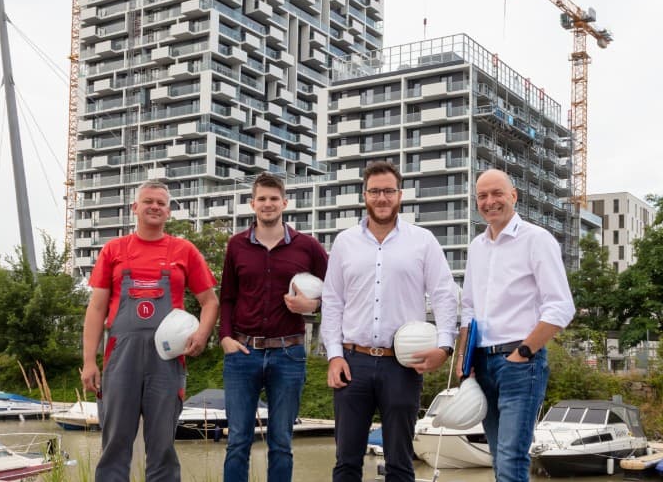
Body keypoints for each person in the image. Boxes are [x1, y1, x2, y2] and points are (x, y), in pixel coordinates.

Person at [321, 161, 458, 482]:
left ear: (400, 194)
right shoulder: (344, 242)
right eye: (375, 191)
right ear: (364, 195)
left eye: (388, 191)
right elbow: (332, 301)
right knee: (346, 462)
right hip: (352, 362)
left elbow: (444, 294)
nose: (382, 198)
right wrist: (334, 355)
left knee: (399, 463)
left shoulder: (423, 241)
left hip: (404, 365)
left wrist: (445, 346)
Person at [81, 181, 219, 482]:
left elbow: (210, 302)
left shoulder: (185, 251)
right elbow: (96, 309)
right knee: (115, 444)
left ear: (168, 211)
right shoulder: (113, 250)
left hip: (166, 363)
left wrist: (202, 334)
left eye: (161, 202)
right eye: (148, 201)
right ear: (135, 208)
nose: (154, 206)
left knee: (163, 447)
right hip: (120, 360)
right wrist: (89, 361)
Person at [458, 168, 575, 482]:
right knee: (498, 458)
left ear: (514, 196)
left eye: (497, 193)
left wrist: (524, 351)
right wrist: (464, 360)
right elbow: (468, 307)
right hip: (481, 363)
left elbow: (561, 306)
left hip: (521, 364)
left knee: (511, 459)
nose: (489, 201)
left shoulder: (537, 240)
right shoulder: (476, 247)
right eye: (482, 195)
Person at [219, 171, 328, 482]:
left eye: (274, 199)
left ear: (285, 202)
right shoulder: (236, 245)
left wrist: (313, 306)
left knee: (281, 443)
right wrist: (225, 337)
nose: (268, 204)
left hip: (288, 354)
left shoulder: (307, 247)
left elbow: (336, 291)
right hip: (242, 352)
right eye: (262, 199)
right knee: (238, 440)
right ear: (252, 203)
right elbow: (227, 296)